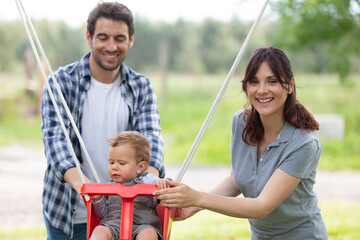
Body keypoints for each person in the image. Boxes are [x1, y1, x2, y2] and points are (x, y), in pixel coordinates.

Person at [154, 47, 328, 239]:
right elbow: (237, 179)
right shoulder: (241, 123)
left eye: (272, 81)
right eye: (254, 82)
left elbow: (262, 207)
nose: (262, 90)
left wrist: (198, 197)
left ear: (290, 85)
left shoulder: (304, 142)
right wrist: (192, 206)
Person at [41, 2, 164, 239]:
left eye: (119, 38)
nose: (111, 46)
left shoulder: (141, 87)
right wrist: (89, 190)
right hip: (69, 211)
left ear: (131, 40)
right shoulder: (60, 83)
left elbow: (152, 145)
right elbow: (56, 143)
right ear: (89, 37)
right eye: (103, 37)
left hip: (127, 212)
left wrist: (145, 187)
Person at [90, 131, 167, 240]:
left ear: (140, 167)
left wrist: (163, 183)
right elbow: (103, 214)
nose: (114, 167)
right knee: (100, 230)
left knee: (149, 234)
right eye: (111, 162)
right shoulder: (109, 187)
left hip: (143, 225)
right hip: (114, 225)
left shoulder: (148, 180)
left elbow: (169, 185)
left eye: (121, 163)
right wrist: (97, 200)